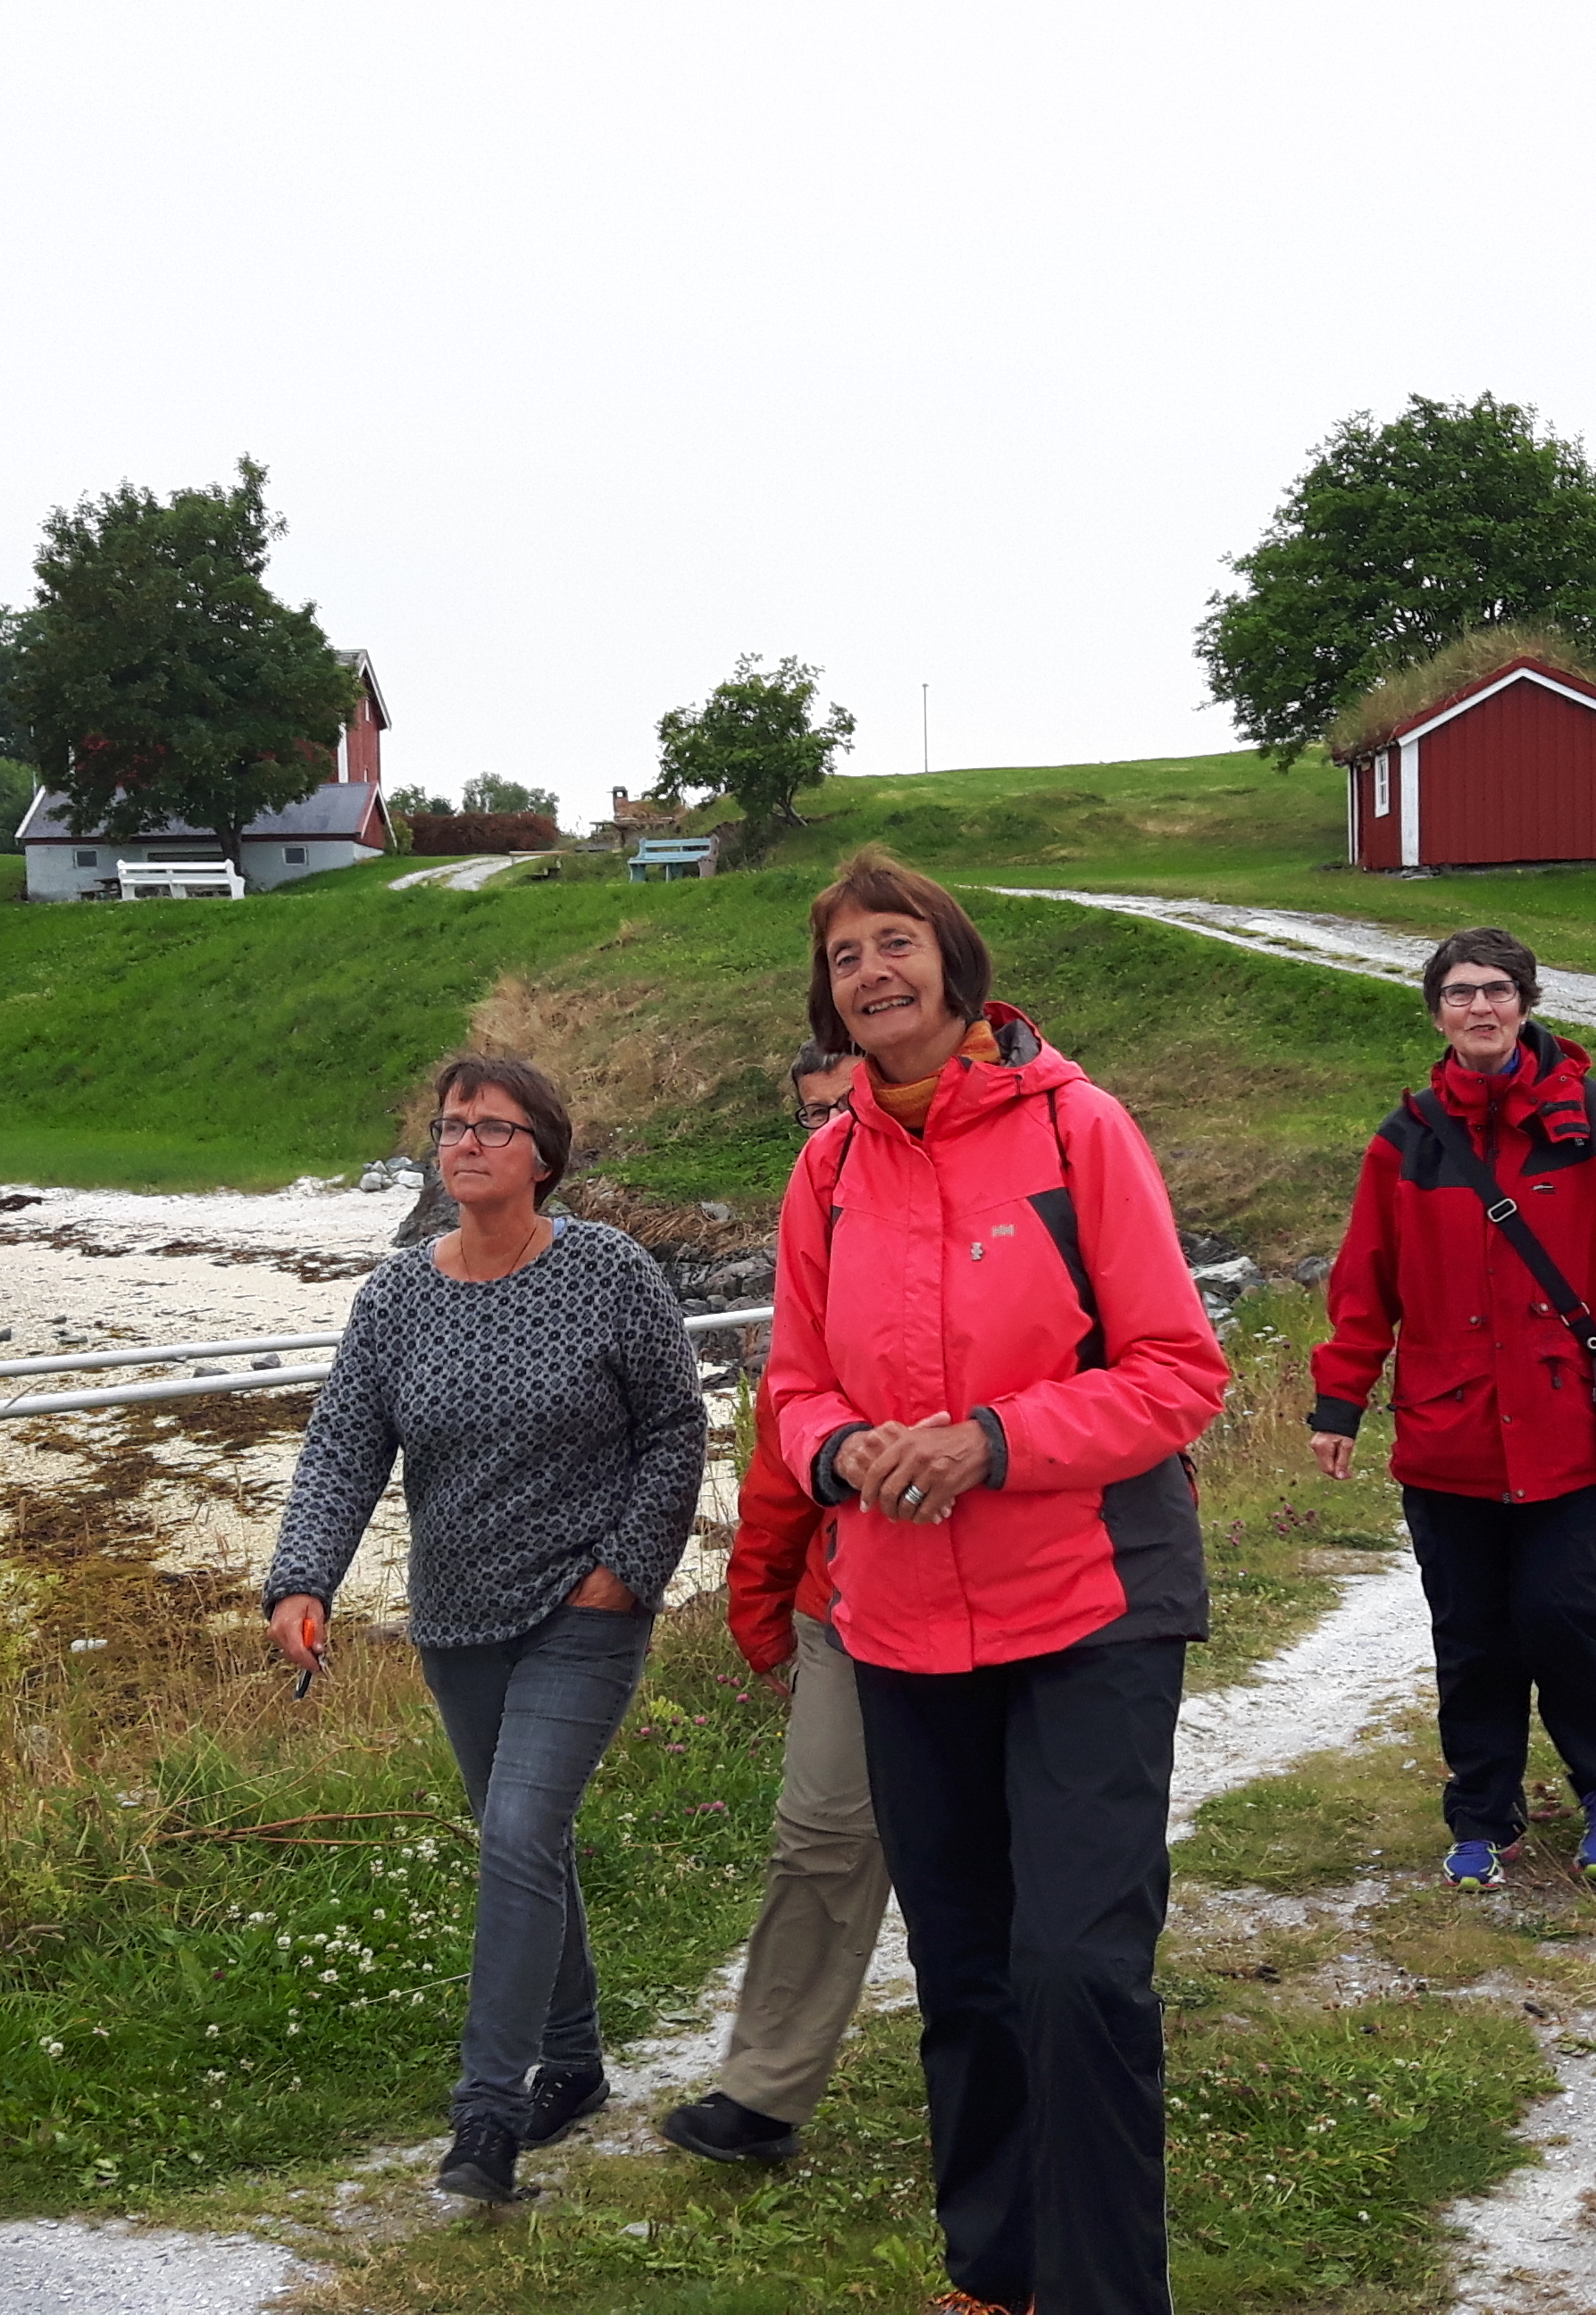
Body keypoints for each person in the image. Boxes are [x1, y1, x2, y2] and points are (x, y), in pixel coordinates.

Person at [763, 851, 1230, 2315]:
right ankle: (995, 2273)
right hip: (901, 1620)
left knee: (1076, 1968)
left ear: (951, 966)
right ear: (828, 1002)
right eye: (845, 960)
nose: (871, 975)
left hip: (1088, 1601)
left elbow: (1174, 1374)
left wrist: (991, 1441)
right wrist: (838, 1453)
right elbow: (788, 1383)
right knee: (963, 1969)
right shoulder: (825, 1168)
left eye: (893, 945)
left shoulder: (1075, 1128)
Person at [264, 1053, 709, 2205]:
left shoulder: (610, 1273)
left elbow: (674, 1426)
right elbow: (344, 1445)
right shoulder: (396, 1296)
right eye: (450, 1126)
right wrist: (301, 1579)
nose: (462, 1143)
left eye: (490, 1128)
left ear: (543, 1157)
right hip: (456, 1619)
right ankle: (574, 2061)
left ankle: (487, 2116)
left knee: (516, 1833)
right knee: (525, 1842)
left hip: (584, 1612)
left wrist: (625, 1572)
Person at [1306, 927, 1596, 1893]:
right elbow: (1368, 1283)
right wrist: (1340, 1399)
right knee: (1473, 1634)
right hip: (1451, 1437)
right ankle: (1483, 1815)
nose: (1478, 1009)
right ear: (1436, 1011)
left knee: (1562, 1613)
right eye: (1458, 993)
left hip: (1574, 1430)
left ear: (1525, 1003)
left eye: (1496, 991)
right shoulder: (1403, 1144)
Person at [662, 1044, 882, 2169]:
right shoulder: (819, 1239)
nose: (834, 1129)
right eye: (812, 1117)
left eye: (848, 1105)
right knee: (821, 1841)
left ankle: (1020, 2077)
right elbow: (785, 1450)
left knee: (989, 1854)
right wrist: (761, 1608)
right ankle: (764, 2093)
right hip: (844, 1606)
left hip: (1005, 1603)